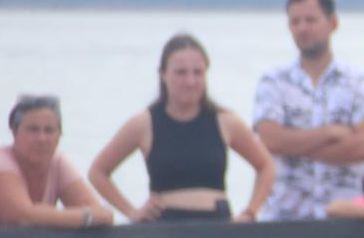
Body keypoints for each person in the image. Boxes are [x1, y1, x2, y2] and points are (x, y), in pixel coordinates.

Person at [87, 34, 275, 224]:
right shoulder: (144, 124)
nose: (190, 81)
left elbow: (266, 166)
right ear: (163, 74)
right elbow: (98, 171)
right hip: (164, 228)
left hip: (218, 227)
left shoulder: (226, 122)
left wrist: (250, 212)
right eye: (181, 73)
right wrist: (131, 212)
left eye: (198, 72)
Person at [252, 0, 364, 221]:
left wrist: (292, 143)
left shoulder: (362, 83)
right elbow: (270, 140)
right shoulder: (273, 81)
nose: (303, 28)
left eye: (311, 20)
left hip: (347, 216)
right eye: (295, 21)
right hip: (284, 216)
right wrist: (331, 133)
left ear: (333, 23)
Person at [0, 96, 113, 230]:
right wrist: (86, 217)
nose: (42, 139)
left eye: (49, 130)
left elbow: (102, 214)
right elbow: (22, 218)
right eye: (33, 130)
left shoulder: (58, 164)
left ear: (60, 135)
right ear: (14, 132)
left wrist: (45, 214)